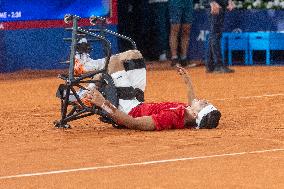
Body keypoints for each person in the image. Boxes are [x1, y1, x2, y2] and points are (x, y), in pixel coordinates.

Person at [74, 47, 221, 131]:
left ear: (196, 115)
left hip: (127, 109)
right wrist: (188, 82)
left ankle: (86, 92)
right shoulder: (188, 113)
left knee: (115, 63)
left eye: (204, 104)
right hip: (137, 101)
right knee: (135, 55)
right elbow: (192, 103)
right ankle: (88, 68)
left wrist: (103, 104)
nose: (205, 100)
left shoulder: (171, 117)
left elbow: (133, 123)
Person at [205, 0, 235, 73]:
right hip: (215, 5)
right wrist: (212, 2)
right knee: (215, 34)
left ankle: (211, 65)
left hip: (220, 4)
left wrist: (229, 1)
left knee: (215, 34)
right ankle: (218, 65)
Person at [169, 0, 196, 67]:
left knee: (186, 29)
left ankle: (184, 58)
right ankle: (174, 58)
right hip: (175, 2)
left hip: (188, 2)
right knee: (175, 28)